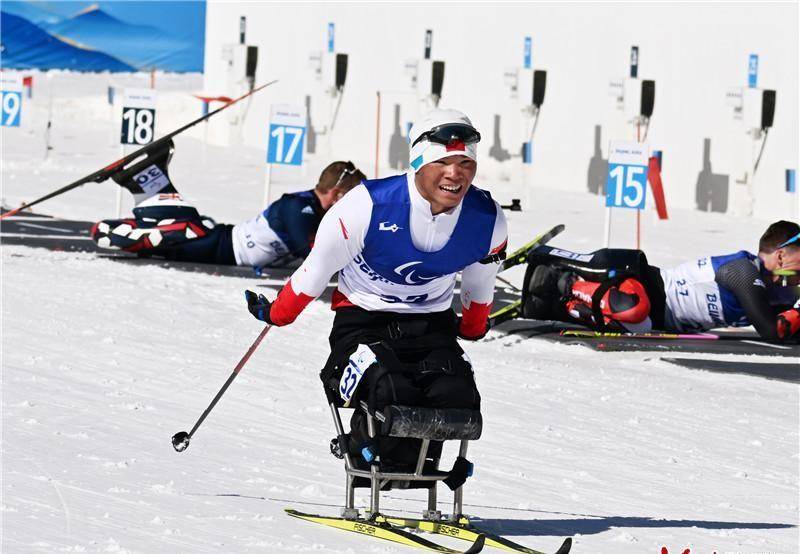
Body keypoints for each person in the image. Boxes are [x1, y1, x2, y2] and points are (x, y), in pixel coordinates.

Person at [244, 108, 508, 469]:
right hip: (363, 322)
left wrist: (474, 327)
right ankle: (364, 456)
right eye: (444, 161)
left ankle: (423, 472)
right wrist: (278, 313)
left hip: (430, 325)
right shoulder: (366, 206)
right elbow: (316, 270)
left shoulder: (487, 218)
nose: (456, 173)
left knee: (457, 394)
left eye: (465, 162)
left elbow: (480, 284)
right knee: (390, 389)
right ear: (418, 163)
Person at [521, 220, 800, 342]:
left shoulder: (778, 291)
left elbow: (789, 331)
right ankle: (562, 280)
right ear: (780, 256)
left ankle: (560, 304)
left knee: (630, 325)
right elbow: (771, 330)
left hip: (659, 320)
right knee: (633, 309)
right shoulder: (743, 271)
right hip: (650, 289)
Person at [90, 146, 366, 268]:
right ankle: (127, 223)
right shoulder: (300, 210)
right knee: (176, 237)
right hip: (223, 250)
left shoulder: (308, 207)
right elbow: (313, 254)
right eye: (351, 195)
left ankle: (145, 177)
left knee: (183, 224)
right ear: (336, 193)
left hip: (222, 241)